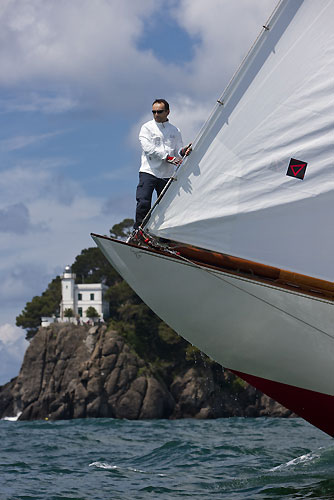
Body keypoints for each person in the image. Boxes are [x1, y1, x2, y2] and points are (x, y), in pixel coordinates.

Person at [133, 98, 191, 233]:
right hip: (149, 171)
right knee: (143, 202)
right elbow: (148, 148)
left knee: (165, 206)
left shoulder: (175, 130)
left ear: (168, 112)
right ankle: (139, 231)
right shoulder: (146, 127)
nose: (156, 115)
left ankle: (162, 235)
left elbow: (178, 150)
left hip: (166, 174)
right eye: (153, 112)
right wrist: (168, 157)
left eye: (159, 111)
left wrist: (184, 151)